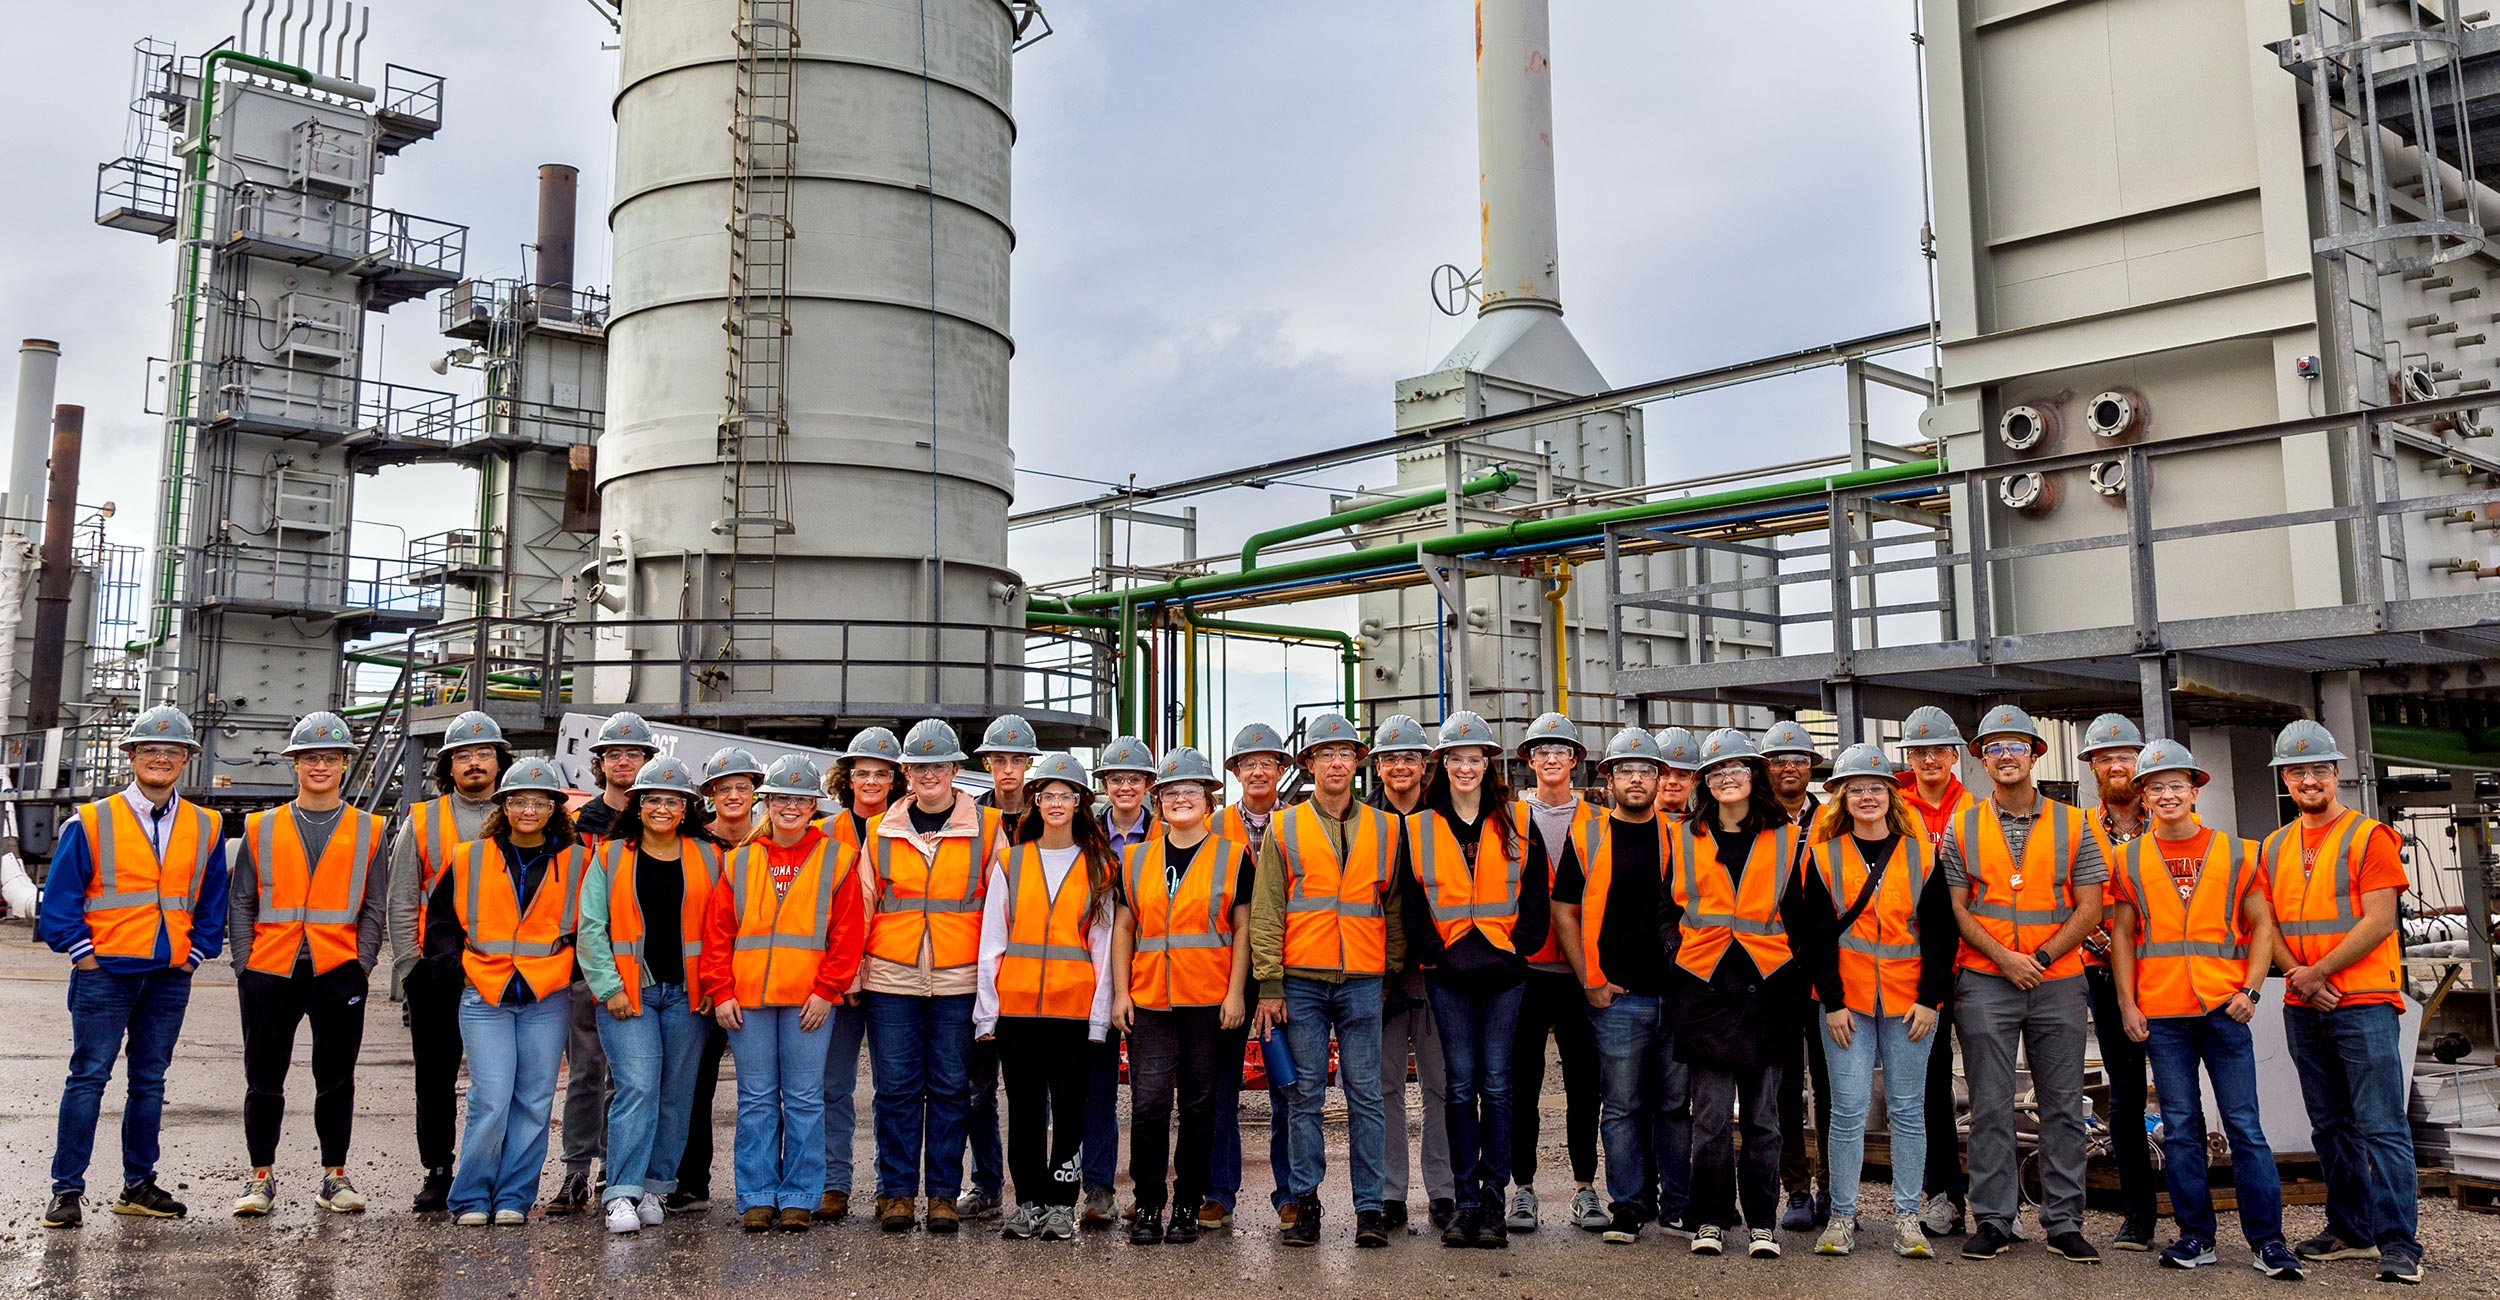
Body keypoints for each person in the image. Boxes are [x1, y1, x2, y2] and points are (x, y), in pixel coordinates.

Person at [2105, 740, 2301, 1279]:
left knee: (2244, 1126)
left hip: (2224, 1007)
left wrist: (2253, 990)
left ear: (2195, 791)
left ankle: (2269, 1242)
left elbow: (2263, 925)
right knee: (2183, 1127)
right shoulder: (2126, 857)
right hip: (2162, 1012)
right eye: (2156, 787)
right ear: (2142, 797)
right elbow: (2122, 934)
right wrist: (2127, 1003)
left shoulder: (2240, 851)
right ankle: (2196, 1237)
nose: (2167, 795)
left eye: (2177, 786)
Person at [37, 706, 229, 1229]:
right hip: (105, 974)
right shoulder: (93, 819)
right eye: (150, 749)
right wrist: (85, 954)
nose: (161, 758)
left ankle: (138, 1185)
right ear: (131, 756)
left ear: (187, 759)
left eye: (172, 751)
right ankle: (67, 1191)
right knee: (88, 1078)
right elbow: (59, 903)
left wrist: (195, 954)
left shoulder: (206, 825)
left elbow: (214, 898)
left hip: (169, 975)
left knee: (150, 1081)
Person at [1940, 704, 2104, 1264]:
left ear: (2036, 753)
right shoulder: (1960, 826)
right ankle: (1994, 1219)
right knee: (1989, 1104)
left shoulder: (2074, 822)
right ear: (1981, 759)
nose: (2005, 755)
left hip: (2057, 978)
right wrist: (2005, 960)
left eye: (2016, 745)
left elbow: (2090, 906)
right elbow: (1956, 909)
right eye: (1994, 747)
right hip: (1986, 979)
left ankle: (2063, 1222)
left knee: (2063, 1104)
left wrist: (2037, 956)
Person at [2263, 720, 2422, 1285]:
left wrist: (2317, 972)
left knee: (2381, 1126)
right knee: (2329, 1126)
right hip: (2305, 1004)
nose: (2309, 780)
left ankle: (2400, 1244)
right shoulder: (2275, 846)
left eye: (2319, 770)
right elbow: (2268, 923)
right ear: (2285, 779)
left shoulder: (2369, 836)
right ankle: (2352, 1230)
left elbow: (2380, 919)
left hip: (2363, 1001)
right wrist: (2297, 976)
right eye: (2298, 771)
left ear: (2336, 774)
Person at [1661, 729, 1827, 1260]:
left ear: (1752, 776)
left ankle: (1761, 1222)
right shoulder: (1685, 835)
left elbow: (1807, 912)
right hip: (1705, 989)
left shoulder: (1787, 836)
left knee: (1763, 1118)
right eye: (1716, 772)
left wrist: (1792, 966)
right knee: (1709, 1118)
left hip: (1768, 991)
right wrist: (1676, 952)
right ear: (1705, 782)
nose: (1726, 778)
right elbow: (1666, 909)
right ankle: (1710, 1219)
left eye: (1736, 769)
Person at [1250, 712, 1405, 1248]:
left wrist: (1391, 969)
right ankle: (1306, 1203)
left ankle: (1369, 1209)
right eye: (1325, 754)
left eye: (1345, 753)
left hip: (1364, 979)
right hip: (1301, 982)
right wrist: (1268, 983)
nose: (1336, 762)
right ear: (1309, 764)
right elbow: (1267, 908)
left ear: (1356, 763)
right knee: (1305, 1096)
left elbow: (1396, 906)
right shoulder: (1285, 826)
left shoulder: (1388, 828)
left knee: (1367, 1096)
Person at [227, 712, 389, 1217]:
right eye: (310, 758)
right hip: (269, 970)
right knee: (263, 1078)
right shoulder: (262, 826)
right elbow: (242, 902)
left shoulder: (370, 830)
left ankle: (334, 1178)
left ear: (344, 765)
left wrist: (360, 965)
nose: (320, 765)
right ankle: (260, 1178)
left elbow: (375, 907)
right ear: (295, 764)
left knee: (336, 1078)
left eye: (331, 757)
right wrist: (243, 965)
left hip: (337, 970)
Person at [1800, 743, 1952, 1259]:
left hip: (1911, 1001)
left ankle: (1907, 1218)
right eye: (1856, 789)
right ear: (1841, 798)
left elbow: (1939, 933)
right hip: (1848, 1005)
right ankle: (1842, 1217)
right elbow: (1817, 938)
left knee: (1909, 1111)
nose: (1866, 796)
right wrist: (1834, 1001)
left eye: (1875, 788)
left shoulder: (1922, 853)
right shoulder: (1822, 856)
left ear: (1892, 795)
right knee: (1847, 1110)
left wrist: (1931, 998)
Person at [702, 755, 866, 1233]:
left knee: (804, 1099)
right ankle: (755, 1196)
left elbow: (848, 934)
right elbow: (718, 935)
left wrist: (827, 990)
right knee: (754, 1100)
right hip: (747, 1001)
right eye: (780, 798)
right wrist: (721, 990)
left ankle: (798, 1196)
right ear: (766, 804)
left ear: (813, 805)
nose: (789, 807)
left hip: (808, 1001)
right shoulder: (740, 861)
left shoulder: (838, 858)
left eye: (799, 799)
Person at [1406, 712, 1549, 1248]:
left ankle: (1493, 1197)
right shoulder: (1419, 825)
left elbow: (1536, 892)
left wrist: (1521, 948)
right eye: (1456, 759)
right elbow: (1412, 902)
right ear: (1440, 765)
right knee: (1460, 1086)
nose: (1466, 767)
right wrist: (1435, 955)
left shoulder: (1518, 819)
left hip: (1504, 973)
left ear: (1488, 764)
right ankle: (1465, 1201)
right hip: (1448, 975)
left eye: (1475, 759)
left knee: (1498, 1085)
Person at [426, 758, 589, 1226]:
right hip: (485, 994)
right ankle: (471, 1195)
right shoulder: (469, 857)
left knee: (535, 1100)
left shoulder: (577, 861)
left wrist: (568, 970)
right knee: (492, 1097)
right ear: (504, 805)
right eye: (519, 800)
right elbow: (439, 924)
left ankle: (515, 1195)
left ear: (555, 808)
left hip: (547, 995)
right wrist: (459, 971)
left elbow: (593, 924)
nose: (529, 809)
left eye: (540, 802)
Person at [864, 719, 1007, 1234]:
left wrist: (993, 985)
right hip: (891, 978)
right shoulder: (881, 829)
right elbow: (864, 904)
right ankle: (897, 1194)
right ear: (907, 773)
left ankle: (943, 1196)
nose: (930, 774)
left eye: (939, 766)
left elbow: (999, 911)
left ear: (955, 771)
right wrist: (856, 978)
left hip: (958, 979)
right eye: (920, 766)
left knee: (950, 1089)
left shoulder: (989, 828)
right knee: (896, 1090)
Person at [577, 757, 724, 1235]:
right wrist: (609, 987)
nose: (663, 807)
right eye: (653, 799)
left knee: (676, 1094)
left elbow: (723, 931)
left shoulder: (709, 856)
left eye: (673, 800)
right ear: (638, 806)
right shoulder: (609, 856)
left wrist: (712, 987)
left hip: (689, 997)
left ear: (687, 808)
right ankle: (621, 1192)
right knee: (637, 1089)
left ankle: (657, 1186)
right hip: (629, 994)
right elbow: (591, 928)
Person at [1111, 747, 1251, 1245]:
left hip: (1209, 1001)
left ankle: (1188, 1205)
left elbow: (1242, 928)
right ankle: (1149, 1204)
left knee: (1199, 1106)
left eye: (1191, 790)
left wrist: (1237, 996)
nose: (1181, 799)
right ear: (1159, 801)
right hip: (1150, 1001)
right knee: (1148, 1106)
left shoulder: (1234, 857)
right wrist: (1120, 992)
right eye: (1171, 792)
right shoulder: (1136, 857)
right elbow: (1125, 926)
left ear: (1209, 799)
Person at [979, 754, 1118, 1241]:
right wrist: (987, 1012)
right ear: (1036, 803)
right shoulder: (1010, 862)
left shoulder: (1100, 866)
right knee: (1023, 1109)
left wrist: (1099, 1019)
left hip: (1074, 1012)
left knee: (1071, 1110)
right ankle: (1028, 1201)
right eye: (1048, 796)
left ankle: (1061, 1204)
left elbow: (1102, 947)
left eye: (1066, 795)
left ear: (1081, 803)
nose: (1056, 803)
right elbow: (992, 941)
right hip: (1018, 1010)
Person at [1555, 728, 1686, 1245]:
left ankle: (1677, 1205)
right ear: (1608, 779)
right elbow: (1563, 909)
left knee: (1676, 1105)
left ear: (1659, 779)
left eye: (1646, 771)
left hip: (1677, 994)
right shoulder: (1587, 836)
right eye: (1626, 770)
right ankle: (1628, 1205)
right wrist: (1591, 978)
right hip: (1617, 997)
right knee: (1623, 1105)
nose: (1637, 779)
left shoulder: (1683, 834)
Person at [387, 710, 506, 1214]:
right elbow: (400, 895)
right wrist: (410, 966)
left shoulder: (524, 813)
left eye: (483, 754)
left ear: (499, 762)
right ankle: (437, 1171)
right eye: (463, 756)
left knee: (497, 1080)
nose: (474, 763)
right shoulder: (423, 819)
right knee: (435, 1077)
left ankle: (492, 1171)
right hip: (435, 971)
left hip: (501, 967)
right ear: (448, 766)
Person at [550, 710, 657, 1215]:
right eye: (614, 753)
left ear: (647, 760)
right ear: (601, 762)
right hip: (587, 965)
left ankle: (618, 1170)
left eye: (633, 753)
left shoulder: (660, 819)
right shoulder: (581, 824)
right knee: (586, 1070)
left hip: (639, 967)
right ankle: (576, 1170)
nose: (624, 761)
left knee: (628, 1076)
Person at [1505, 711, 1605, 1235]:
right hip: (1525, 969)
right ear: (1529, 762)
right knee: (1522, 1082)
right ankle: (1522, 1189)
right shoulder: (1509, 818)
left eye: (1560, 751)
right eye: (1540, 751)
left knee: (1585, 1083)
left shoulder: (1598, 821)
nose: (1550, 759)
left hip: (1579, 969)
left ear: (1574, 762)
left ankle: (1585, 1188)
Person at [2073, 714, 2160, 1251]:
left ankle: (2197, 1213)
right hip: (2104, 974)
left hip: (2172, 973)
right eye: (2104, 758)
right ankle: (2138, 1216)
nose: (2115, 765)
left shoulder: (2172, 817)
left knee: (2182, 1094)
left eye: (2125, 755)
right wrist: (2107, 945)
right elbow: (2067, 897)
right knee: (2125, 1095)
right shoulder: (2077, 828)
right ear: (2092, 768)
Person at [668, 745, 766, 1212]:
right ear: (709, 794)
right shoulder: (695, 845)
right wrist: (709, 983)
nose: (733, 795)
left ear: (755, 793)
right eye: (723, 788)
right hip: (707, 984)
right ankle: (691, 1180)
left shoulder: (771, 843)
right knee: (695, 1081)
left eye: (741, 787)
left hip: (764, 980)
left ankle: (769, 1184)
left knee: (766, 1089)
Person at [1205, 720, 1294, 1230]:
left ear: (1281, 771)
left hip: (1284, 972)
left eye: (1268, 762)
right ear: (1235, 772)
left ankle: (1289, 1194)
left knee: (1287, 1087)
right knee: (1221, 1088)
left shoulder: (1301, 823)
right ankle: (1219, 1191)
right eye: (1248, 763)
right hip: (1227, 974)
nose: (1258, 770)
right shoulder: (1213, 825)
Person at [1368, 714, 1454, 1234]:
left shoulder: (1446, 819)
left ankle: (1442, 1191)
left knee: (1442, 1084)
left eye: (1410, 758)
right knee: (1384, 1087)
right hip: (1377, 973)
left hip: (1437, 972)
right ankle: (1388, 1192)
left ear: (1426, 766)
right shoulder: (1360, 821)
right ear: (1376, 767)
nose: (1400, 767)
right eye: (1390, 759)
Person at [1894, 703, 1976, 1238]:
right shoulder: (1890, 805)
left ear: (1954, 756)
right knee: (1925, 1086)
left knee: (1981, 1088)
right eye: (1918, 752)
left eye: (1938, 751)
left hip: (1974, 959)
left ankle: (1985, 1201)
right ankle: (1941, 1194)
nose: (1928, 759)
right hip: (1911, 967)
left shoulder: (1974, 809)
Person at [813, 727, 901, 1222]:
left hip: (892, 975)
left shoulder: (909, 829)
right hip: (837, 980)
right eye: (863, 773)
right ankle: (834, 1183)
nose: (871, 781)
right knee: (832, 1085)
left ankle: (892, 1188)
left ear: (895, 780)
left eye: (881, 774)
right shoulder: (825, 833)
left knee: (894, 1088)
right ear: (847, 779)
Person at [962, 714, 1038, 1222]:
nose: (1006, 769)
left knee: (1037, 1091)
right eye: (998, 759)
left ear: (1029, 764)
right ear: (987, 763)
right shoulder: (970, 817)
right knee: (978, 1086)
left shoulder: (1057, 810)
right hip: (980, 964)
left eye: (1015, 760)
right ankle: (987, 1184)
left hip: (1040, 966)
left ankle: (1040, 1191)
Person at [1759, 718, 1833, 1233]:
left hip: (1828, 970)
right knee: (1784, 1086)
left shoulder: (1833, 820)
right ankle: (1797, 1190)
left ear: (1811, 768)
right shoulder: (1753, 821)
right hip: (1774, 973)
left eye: (1799, 760)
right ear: (1765, 769)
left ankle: (1832, 1185)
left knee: (1832, 1087)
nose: (1790, 767)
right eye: (1780, 760)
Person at [1654, 727, 1702, 822]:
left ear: (1694, 780)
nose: (1672, 781)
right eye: (1664, 773)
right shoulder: (1633, 825)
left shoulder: (1704, 830)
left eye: (1682, 775)